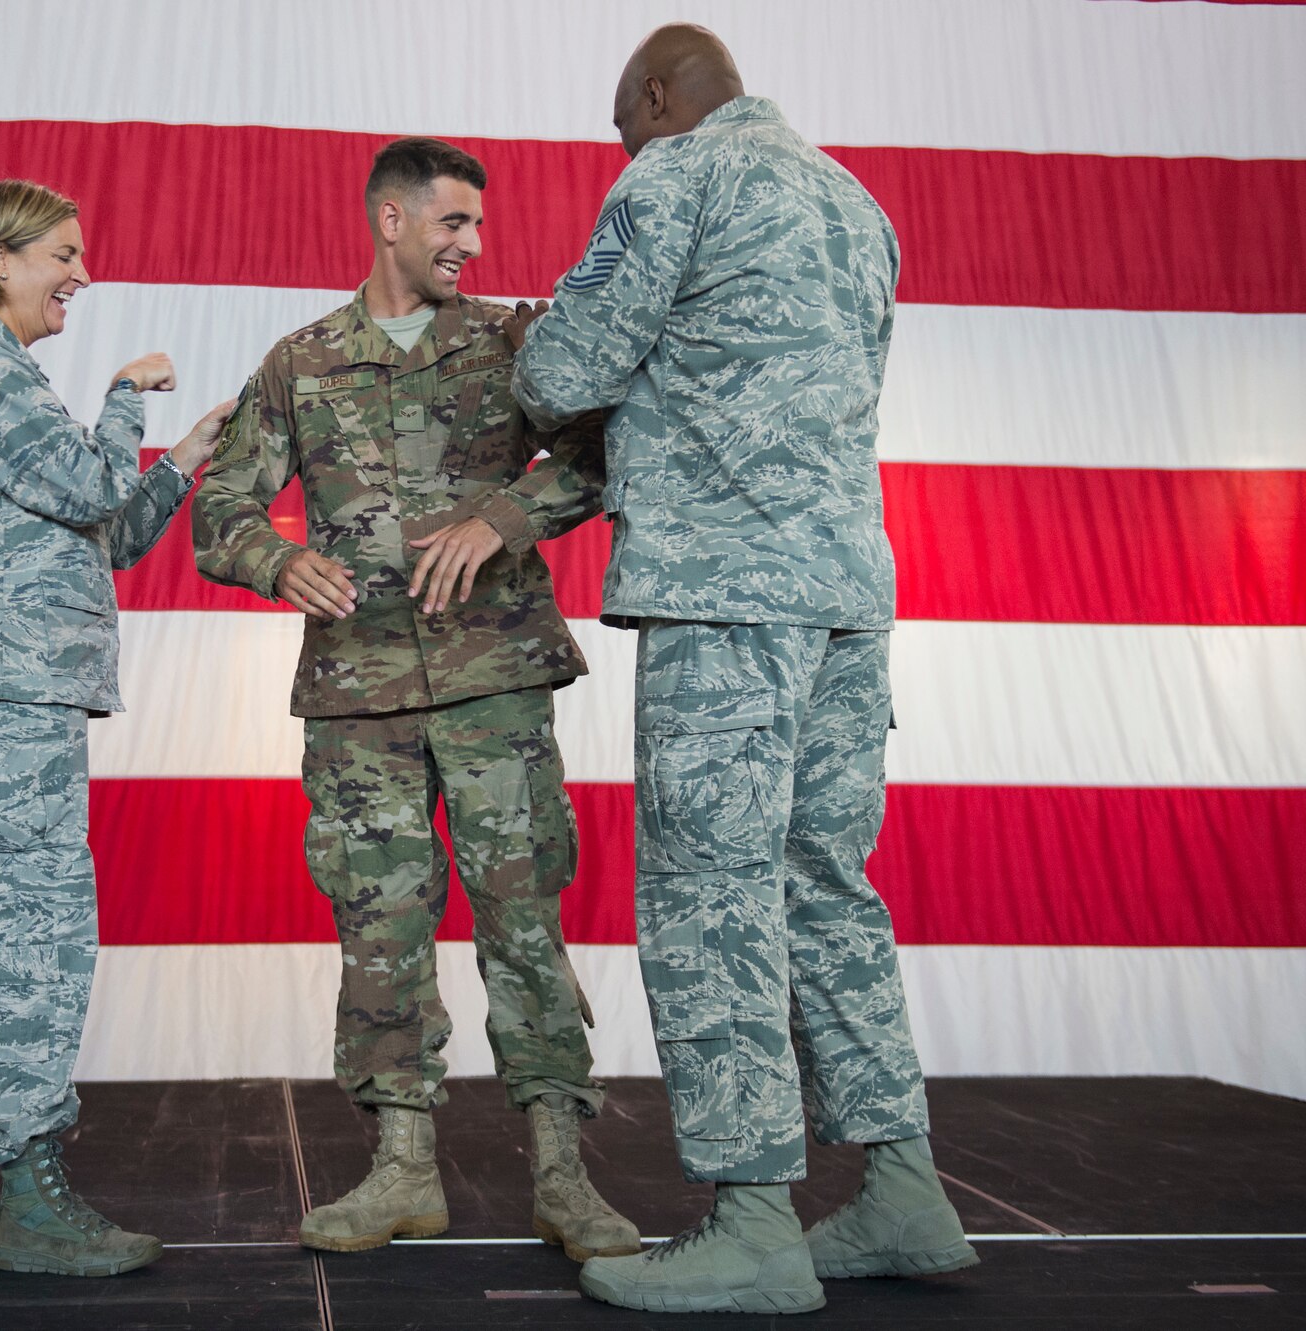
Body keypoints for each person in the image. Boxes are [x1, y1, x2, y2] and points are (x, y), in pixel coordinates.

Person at [510, 25, 977, 1315]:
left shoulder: (675, 173)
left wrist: (538, 340)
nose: (623, 149)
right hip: (846, 599)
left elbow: (561, 370)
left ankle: (754, 1219)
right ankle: (901, 1187)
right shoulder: (853, 201)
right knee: (824, 887)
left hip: (726, 597)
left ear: (657, 98)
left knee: (710, 893)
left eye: (623, 125)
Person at [194, 137, 638, 1261]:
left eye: (476, 225)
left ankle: (561, 1172)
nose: (471, 244)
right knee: (380, 931)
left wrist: (505, 518)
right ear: (389, 220)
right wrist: (274, 557)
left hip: (495, 684)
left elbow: (600, 453)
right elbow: (220, 504)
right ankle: (401, 1167)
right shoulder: (301, 362)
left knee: (523, 920)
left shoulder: (512, 342)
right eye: (452, 222)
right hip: (360, 700)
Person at [0, 178, 233, 1278]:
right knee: (31, 929)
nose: (81, 274)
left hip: (6, 685)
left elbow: (106, 531)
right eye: (63, 254)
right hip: (4, 687)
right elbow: (88, 482)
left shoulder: (5, 375)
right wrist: (126, 395)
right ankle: (31, 1190)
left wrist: (183, 456)